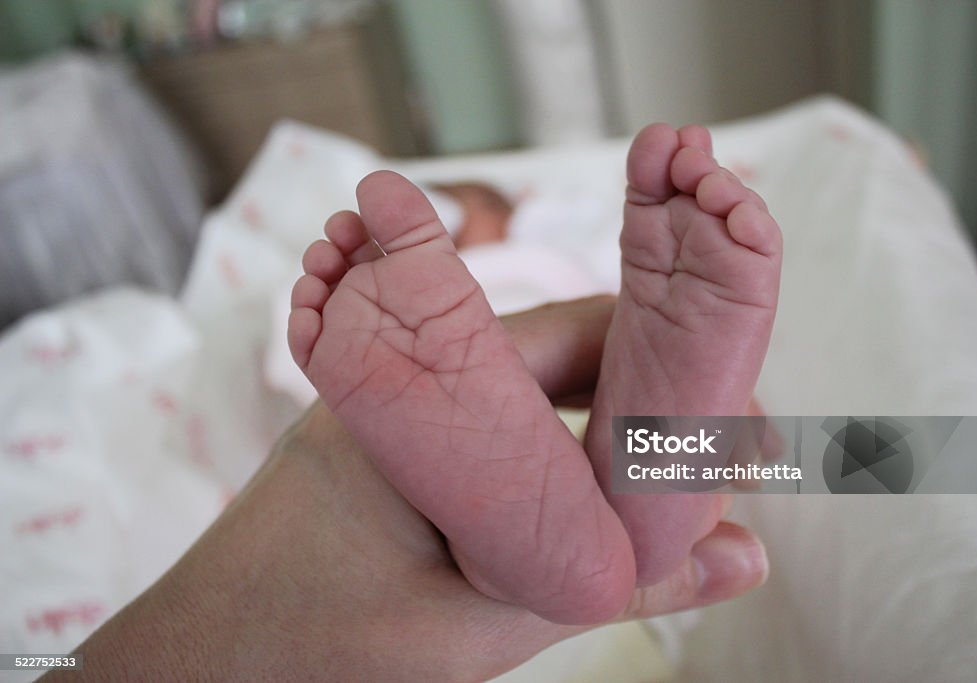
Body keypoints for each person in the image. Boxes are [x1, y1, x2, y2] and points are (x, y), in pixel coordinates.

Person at [48, 298, 768, 682]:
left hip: (446, 353)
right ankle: (638, 503)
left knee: (722, 448)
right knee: (734, 452)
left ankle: (534, 504)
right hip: (461, 351)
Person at [287, 123, 781, 624]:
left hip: (497, 406)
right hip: (540, 400)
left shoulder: (506, 262)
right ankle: (656, 482)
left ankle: (589, 506)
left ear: (503, 215)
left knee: (620, 352)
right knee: (681, 425)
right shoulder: (432, 292)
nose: (453, 232)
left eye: (462, 217)